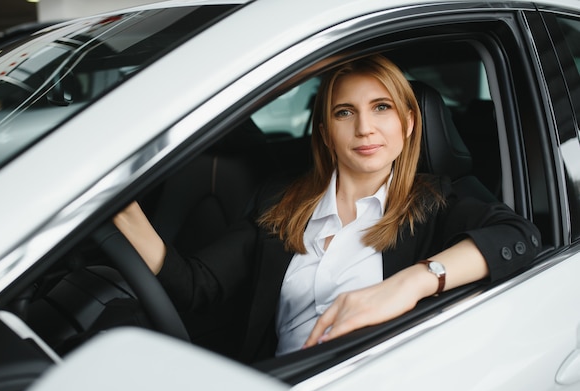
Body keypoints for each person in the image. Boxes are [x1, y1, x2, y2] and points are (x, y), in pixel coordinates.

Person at [113, 54, 541, 360]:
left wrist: (413, 282)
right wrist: (119, 208)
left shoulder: (438, 199)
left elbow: (520, 238)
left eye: (381, 108)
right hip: (284, 384)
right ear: (325, 130)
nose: (364, 128)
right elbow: (195, 286)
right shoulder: (282, 201)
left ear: (408, 123)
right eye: (344, 113)